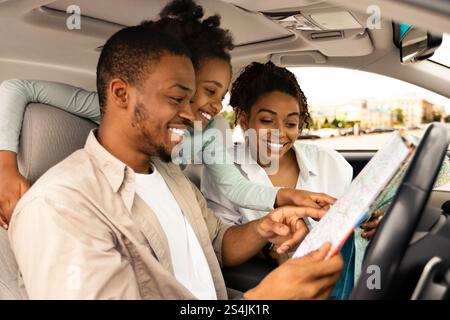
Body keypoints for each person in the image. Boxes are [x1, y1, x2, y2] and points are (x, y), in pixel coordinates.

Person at [8, 21, 344, 300]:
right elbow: (19, 88)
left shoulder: (172, 178)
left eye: (200, 96)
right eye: (176, 98)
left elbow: (216, 242)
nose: (195, 114)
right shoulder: (58, 206)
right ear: (122, 94)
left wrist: (264, 227)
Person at [0, 0, 334, 229]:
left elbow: (235, 187)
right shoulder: (117, 108)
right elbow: (17, 87)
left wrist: (284, 196)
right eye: (206, 91)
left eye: (222, 95)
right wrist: (5, 167)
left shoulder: (212, 128)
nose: (217, 106)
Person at [202, 61, 355, 299]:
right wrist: (272, 248)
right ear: (244, 121)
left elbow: (353, 220)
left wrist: (371, 223)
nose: (280, 133)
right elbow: (223, 242)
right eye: (266, 120)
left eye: (291, 123)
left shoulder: (331, 163)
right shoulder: (224, 171)